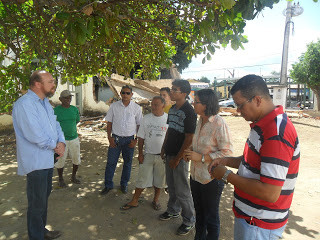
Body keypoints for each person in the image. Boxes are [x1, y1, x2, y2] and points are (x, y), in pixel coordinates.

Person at [208, 75, 300, 240]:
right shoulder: (261, 125)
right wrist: (227, 161)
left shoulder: (276, 132)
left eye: (240, 105)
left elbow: (270, 193)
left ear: (257, 100)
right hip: (250, 218)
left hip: (259, 224)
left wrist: (227, 175)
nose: (237, 110)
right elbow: (252, 162)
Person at [12, 70, 65, 240]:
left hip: (47, 159)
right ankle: (36, 236)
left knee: (43, 199)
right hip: (35, 162)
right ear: (37, 84)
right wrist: (54, 146)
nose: (53, 84)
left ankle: (41, 231)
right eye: (50, 81)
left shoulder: (45, 104)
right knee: (36, 203)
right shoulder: (24, 104)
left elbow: (56, 124)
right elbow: (34, 134)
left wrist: (61, 142)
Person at [184, 89, 233, 240]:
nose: (193, 103)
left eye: (196, 101)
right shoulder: (200, 120)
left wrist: (202, 157)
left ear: (205, 104)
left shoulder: (218, 123)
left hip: (211, 178)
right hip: (196, 175)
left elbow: (227, 152)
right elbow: (200, 144)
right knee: (199, 212)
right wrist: (191, 151)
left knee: (211, 216)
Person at [159, 79, 197, 236]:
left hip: (179, 156)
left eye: (175, 90)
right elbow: (170, 130)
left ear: (184, 93)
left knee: (182, 190)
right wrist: (163, 147)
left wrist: (178, 158)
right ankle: (173, 210)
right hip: (170, 152)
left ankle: (189, 220)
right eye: (172, 89)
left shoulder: (189, 112)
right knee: (172, 186)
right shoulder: (173, 109)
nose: (172, 92)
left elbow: (189, 138)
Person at [120, 96, 168, 210]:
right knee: (142, 179)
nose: (153, 107)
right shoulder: (146, 118)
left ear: (163, 106)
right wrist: (140, 153)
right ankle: (134, 200)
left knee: (159, 180)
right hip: (148, 154)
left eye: (156, 104)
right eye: (152, 104)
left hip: (162, 157)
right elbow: (141, 137)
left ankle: (155, 200)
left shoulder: (168, 119)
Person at [100, 85, 143, 195]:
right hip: (116, 139)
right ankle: (108, 185)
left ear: (131, 95)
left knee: (127, 163)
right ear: (120, 93)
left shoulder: (136, 108)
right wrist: (109, 137)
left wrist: (135, 140)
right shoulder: (114, 106)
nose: (125, 95)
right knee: (111, 163)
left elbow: (139, 125)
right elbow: (109, 122)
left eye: (128, 93)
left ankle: (124, 184)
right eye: (123, 93)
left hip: (129, 140)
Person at [54, 90, 81, 188]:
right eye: (66, 97)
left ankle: (73, 176)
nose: (68, 99)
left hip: (74, 138)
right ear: (60, 99)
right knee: (60, 160)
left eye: (70, 97)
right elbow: (52, 124)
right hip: (61, 140)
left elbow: (77, 120)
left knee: (76, 159)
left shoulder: (74, 109)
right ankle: (60, 178)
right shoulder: (56, 111)